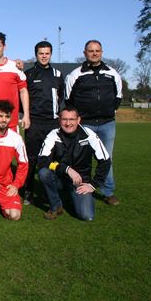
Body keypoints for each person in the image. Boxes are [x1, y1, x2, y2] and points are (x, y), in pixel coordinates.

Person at [65, 40, 122, 205]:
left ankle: (108, 191)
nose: (94, 53)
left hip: (107, 124)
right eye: (91, 51)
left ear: (102, 52)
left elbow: (118, 97)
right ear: (85, 53)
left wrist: (108, 111)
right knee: (81, 159)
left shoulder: (112, 73)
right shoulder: (76, 75)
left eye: (97, 50)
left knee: (106, 158)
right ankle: (81, 189)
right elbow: (69, 100)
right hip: (85, 124)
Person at [38, 106, 111, 221]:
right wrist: (66, 169)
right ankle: (56, 206)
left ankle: (72, 194)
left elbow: (106, 160)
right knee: (44, 173)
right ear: (59, 120)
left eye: (72, 119)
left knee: (87, 216)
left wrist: (93, 184)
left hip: (80, 182)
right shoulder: (53, 134)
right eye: (64, 119)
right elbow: (42, 160)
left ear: (78, 120)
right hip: (60, 178)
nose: (68, 123)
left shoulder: (89, 135)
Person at [23, 41, 64, 204]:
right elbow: (23, 99)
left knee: (52, 159)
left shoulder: (57, 74)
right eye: (41, 53)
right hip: (34, 124)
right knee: (31, 159)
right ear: (36, 54)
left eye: (47, 53)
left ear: (51, 54)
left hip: (53, 124)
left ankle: (50, 191)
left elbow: (61, 96)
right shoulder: (29, 74)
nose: (44, 56)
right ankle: (28, 190)